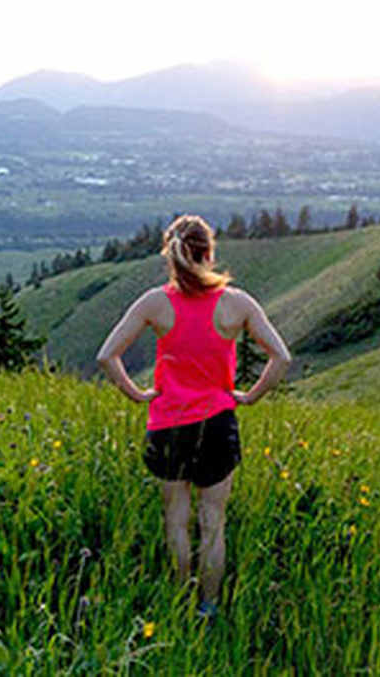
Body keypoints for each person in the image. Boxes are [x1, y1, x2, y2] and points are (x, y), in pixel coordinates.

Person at [96, 214, 291, 620]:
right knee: (213, 524)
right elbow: (281, 358)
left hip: (167, 424)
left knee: (176, 521)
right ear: (210, 252)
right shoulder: (236, 303)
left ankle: (178, 603)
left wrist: (137, 394)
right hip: (218, 423)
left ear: (170, 253)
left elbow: (106, 355)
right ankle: (209, 607)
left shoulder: (155, 302)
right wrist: (249, 397)